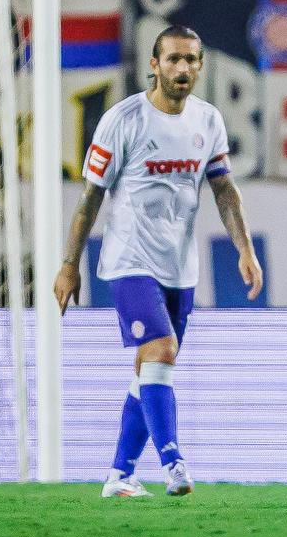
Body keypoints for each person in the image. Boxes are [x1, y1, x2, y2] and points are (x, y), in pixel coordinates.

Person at [53, 26, 262, 498]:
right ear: (154, 64)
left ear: (201, 66)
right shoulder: (122, 120)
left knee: (151, 369)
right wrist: (70, 264)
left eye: (191, 60)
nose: (182, 68)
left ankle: (120, 476)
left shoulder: (208, 122)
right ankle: (173, 462)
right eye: (173, 60)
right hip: (129, 261)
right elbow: (90, 199)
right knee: (161, 352)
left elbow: (224, 189)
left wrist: (244, 249)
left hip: (179, 267)